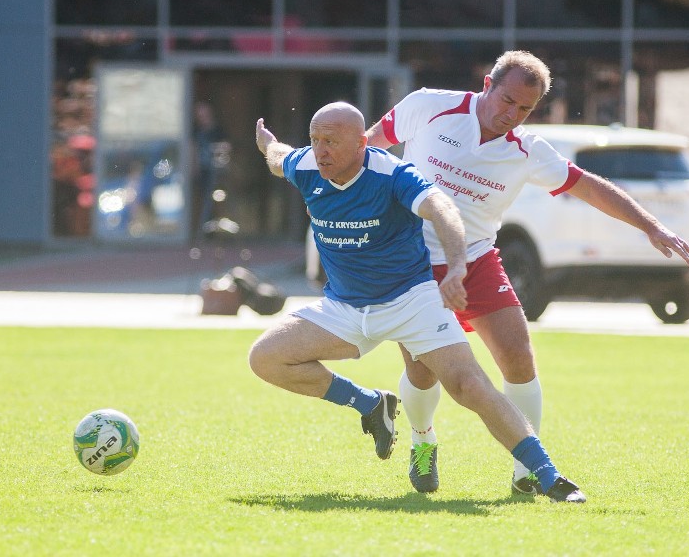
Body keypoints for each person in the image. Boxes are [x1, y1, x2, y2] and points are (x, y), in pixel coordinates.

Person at [367, 50, 689, 494]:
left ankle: (527, 473)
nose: (511, 115)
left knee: (519, 357)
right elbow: (367, 148)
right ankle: (422, 441)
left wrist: (652, 226)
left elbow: (589, 186)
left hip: (477, 259)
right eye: (506, 101)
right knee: (424, 371)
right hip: (412, 263)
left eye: (524, 109)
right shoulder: (429, 105)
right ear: (487, 84)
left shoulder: (526, 150)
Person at [250, 101, 586, 503]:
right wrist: (267, 143)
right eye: (315, 140)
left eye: (331, 142)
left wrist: (458, 266)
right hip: (345, 307)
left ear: (361, 143)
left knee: (469, 385)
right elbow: (278, 159)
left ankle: (549, 476)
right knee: (265, 358)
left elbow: (442, 209)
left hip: (411, 301)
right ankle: (370, 404)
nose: (320, 151)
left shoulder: (392, 174)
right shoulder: (306, 166)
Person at [191, 101, 230, 238]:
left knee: (217, 200)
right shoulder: (197, 131)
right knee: (203, 201)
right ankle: (203, 231)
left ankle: (216, 232)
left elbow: (225, 148)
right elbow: (193, 149)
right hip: (202, 171)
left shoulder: (218, 130)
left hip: (217, 171)